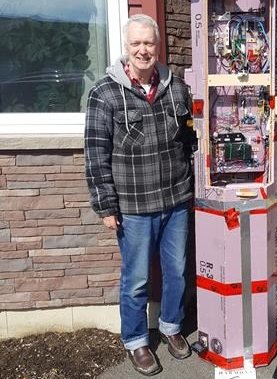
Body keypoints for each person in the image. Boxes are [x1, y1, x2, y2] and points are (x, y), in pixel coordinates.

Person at [84, 14, 194, 376]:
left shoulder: (176, 87)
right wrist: (105, 205)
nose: (143, 50)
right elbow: (96, 153)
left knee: (177, 272)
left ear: (157, 46)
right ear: (126, 48)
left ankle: (171, 327)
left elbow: (188, 142)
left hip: (175, 200)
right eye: (136, 44)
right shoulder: (105, 93)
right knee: (136, 280)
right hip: (133, 207)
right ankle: (135, 340)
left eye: (149, 43)